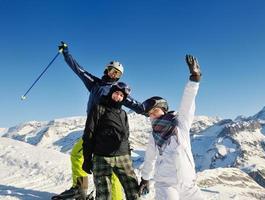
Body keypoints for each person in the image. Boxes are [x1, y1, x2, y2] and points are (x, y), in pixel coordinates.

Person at [54, 42, 143, 200]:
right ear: (106, 70)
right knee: (77, 155)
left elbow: (136, 105)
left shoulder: (119, 92)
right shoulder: (95, 83)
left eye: (118, 74)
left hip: (107, 137)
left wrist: (151, 110)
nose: (114, 75)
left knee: (112, 173)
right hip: (93, 131)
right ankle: (80, 189)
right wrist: (66, 53)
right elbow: (79, 70)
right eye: (112, 71)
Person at [138, 55, 203, 200]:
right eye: (150, 114)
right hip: (166, 184)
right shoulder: (154, 136)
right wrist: (145, 178)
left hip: (188, 183)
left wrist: (194, 78)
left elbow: (188, 102)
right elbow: (150, 158)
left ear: (164, 109)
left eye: (155, 111)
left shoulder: (180, 124)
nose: (153, 116)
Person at [82, 82, 140, 200]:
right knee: (103, 195)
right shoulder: (99, 109)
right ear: (111, 92)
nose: (118, 97)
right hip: (101, 158)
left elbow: (126, 135)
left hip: (123, 157)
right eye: (116, 93)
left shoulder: (123, 114)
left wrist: (128, 155)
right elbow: (89, 134)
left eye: (121, 96)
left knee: (133, 191)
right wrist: (87, 159)